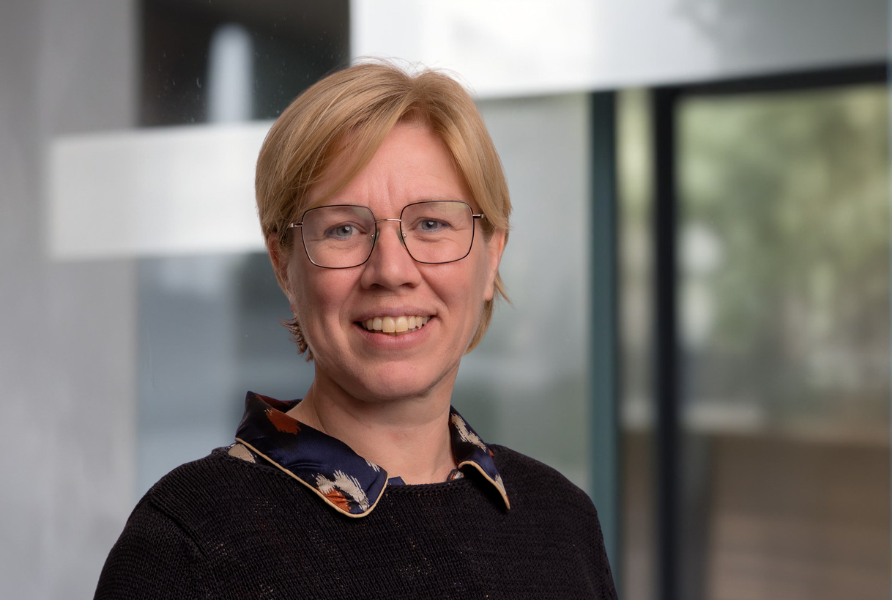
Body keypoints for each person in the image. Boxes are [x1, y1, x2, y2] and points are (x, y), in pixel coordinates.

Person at [94, 61, 617, 599]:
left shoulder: (562, 521)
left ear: (492, 256)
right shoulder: (186, 544)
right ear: (283, 265)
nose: (391, 271)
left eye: (431, 224)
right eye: (343, 229)